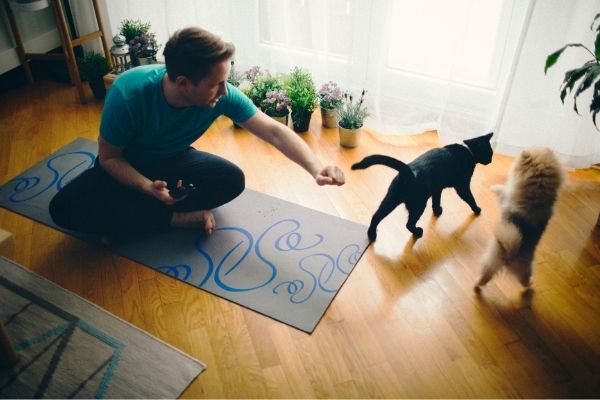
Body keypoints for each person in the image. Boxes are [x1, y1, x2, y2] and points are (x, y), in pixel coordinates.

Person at [49, 27, 345, 243]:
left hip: (173, 160)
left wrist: (316, 168)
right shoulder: (128, 92)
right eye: (216, 83)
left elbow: (275, 131)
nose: (225, 91)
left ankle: (128, 220)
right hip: (126, 167)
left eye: (226, 80)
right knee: (62, 209)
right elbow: (109, 158)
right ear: (183, 82)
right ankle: (175, 219)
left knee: (232, 180)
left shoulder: (221, 94)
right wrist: (145, 187)